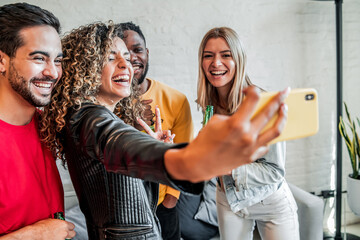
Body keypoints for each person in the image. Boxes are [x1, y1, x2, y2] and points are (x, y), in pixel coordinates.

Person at [39, 21, 289, 239]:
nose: (126, 65)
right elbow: (116, 141)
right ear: (87, 68)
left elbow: (128, 169)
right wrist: (197, 158)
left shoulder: (100, 114)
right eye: (110, 57)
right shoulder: (89, 118)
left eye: (126, 56)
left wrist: (157, 146)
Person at [196, 27, 299, 240]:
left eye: (226, 55)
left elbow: (274, 171)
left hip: (269, 202)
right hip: (228, 199)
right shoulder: (209, 105)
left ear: (239, 60)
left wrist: (226, 164)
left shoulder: (261, 105)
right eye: (209, 56)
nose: (216, 63)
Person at [0, 3, 75, 239]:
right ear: (2, 61)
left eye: (58, 60)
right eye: (39, 58)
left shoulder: (48, 124)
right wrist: (34, 235)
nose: (53, 72)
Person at [119, 21, 194, 240]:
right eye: (124, 52)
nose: (133, 57)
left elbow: (186, 155)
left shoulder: (176, 100)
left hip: (163, 205)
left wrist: (170, 200)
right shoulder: (105, 103)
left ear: (147, 53)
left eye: (137, 50)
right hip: (123, 204)